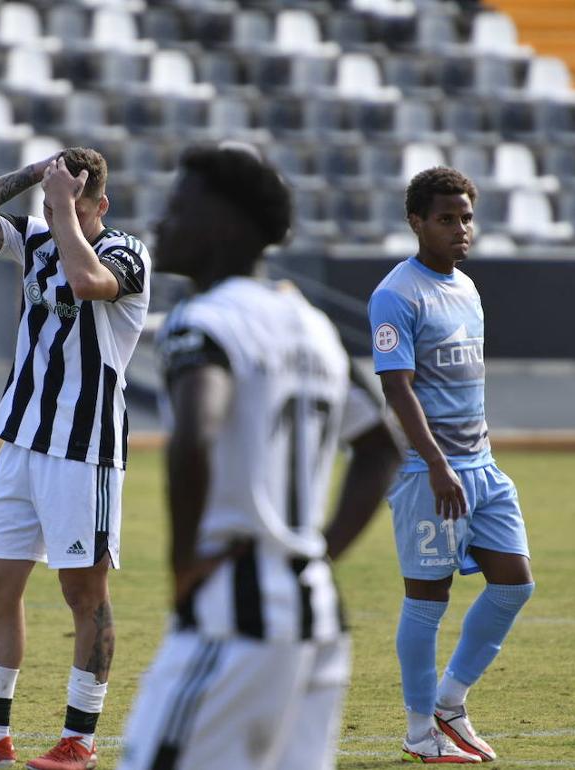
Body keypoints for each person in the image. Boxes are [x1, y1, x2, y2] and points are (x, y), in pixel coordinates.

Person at [117, 142, 400, 770]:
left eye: (178, 207)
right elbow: (381, 447)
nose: (161, 223)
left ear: (222, 225)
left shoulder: (203, 320)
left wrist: (182, 565)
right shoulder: (312, 325)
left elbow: (196, 433)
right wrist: (320, 550)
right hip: (316, 612)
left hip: (232, 614)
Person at [0, 147, 152, 770]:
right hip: (21, 439)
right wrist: (33, 177)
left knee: (84, 592)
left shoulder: (127, 253)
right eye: (50, 204)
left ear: (101, 204)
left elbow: (86, 281)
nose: (53, 212)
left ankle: (81, 739)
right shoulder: (41, 236)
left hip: (84, 448)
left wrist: (65, 212)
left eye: (71, 201)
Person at [368, 166, 535, 763]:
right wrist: (436, 464)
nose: (460, 229)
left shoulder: (467, 288)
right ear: (416, 222)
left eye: (466, 217)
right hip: (426, 472)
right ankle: (420, 733)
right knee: (427, 601)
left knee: (514, 582)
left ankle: (450, 701)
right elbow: (398, 389)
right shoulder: (396, 293)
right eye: (446, 219)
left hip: (482, 467)